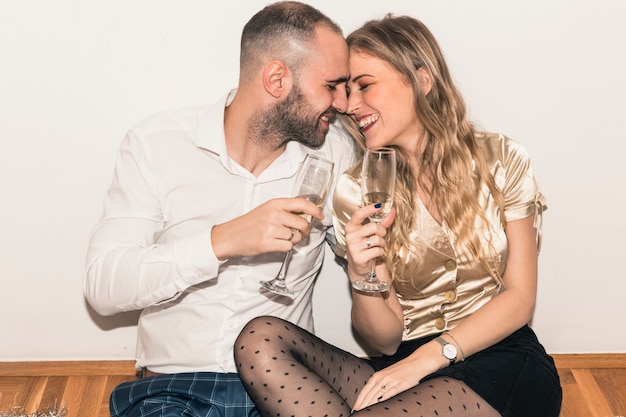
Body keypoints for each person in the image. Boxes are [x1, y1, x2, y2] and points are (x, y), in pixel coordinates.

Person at [234, 14, 562, 417]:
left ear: (422, 80)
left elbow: (520, 298)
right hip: (403, 365)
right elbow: (386, 342)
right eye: (346, 90)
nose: (350, 106)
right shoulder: (358, 190)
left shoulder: (501, 160)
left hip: (498, 360)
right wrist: (360, 273)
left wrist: (429, 357)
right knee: (261, 338)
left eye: (365, 86)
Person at [83, 2, 355, 417]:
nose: (343, 102)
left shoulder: (337, 155)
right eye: (332, 85)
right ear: (277, 79)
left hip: (283, 389)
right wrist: (221, 241)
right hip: (172, 388)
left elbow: (373, 271)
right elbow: (103, 287)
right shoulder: (157, 143)